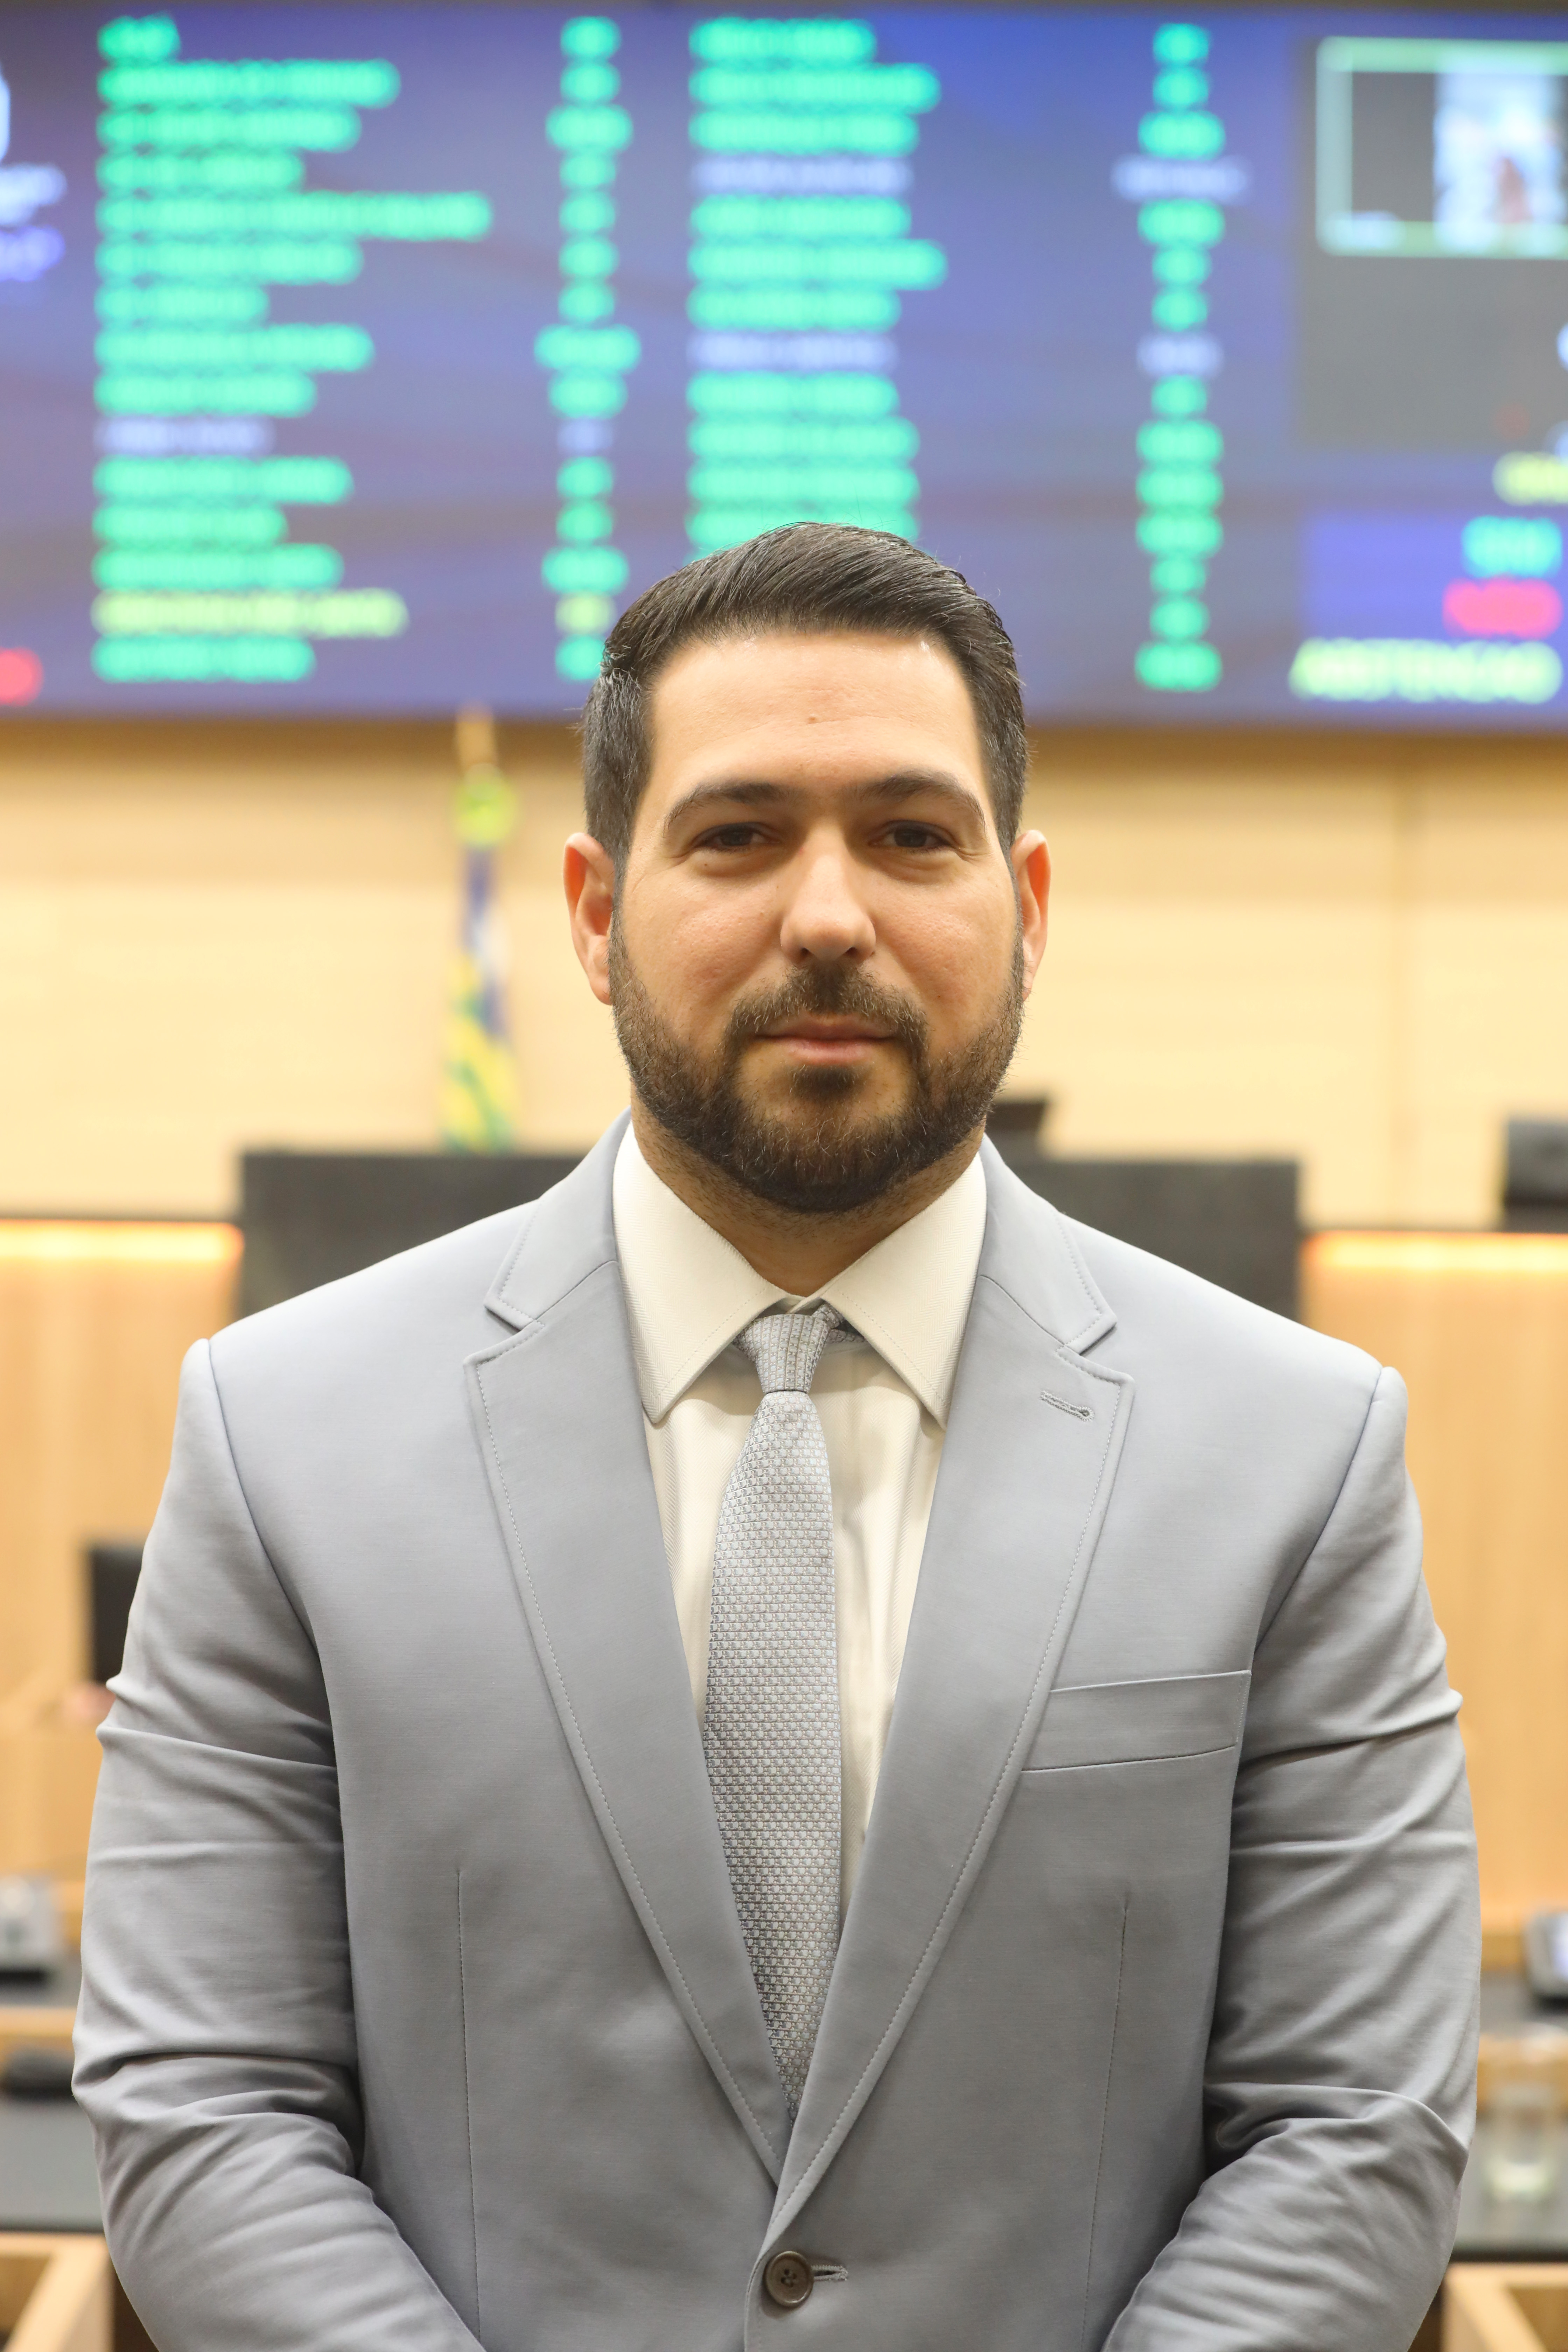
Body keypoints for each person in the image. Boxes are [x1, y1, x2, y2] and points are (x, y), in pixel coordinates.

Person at [75, 524, 1478, 2352]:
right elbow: (204, 2105)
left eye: (913, 836)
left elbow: (1353, 2127)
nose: (829, 914)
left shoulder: (1299, 1453)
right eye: (738, 835)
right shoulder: (282, 1435)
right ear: (596, 913)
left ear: (1029, 907)